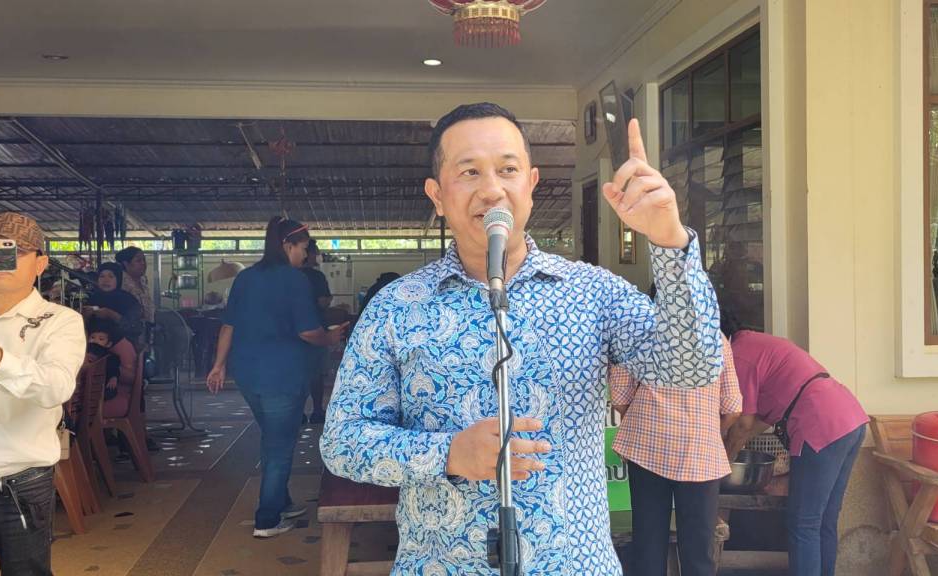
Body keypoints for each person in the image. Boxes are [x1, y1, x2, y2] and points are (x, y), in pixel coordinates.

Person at [320, 103, 723, 574]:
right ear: (437, 195)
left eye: (507, 169)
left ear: (531, 184)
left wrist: (671, 243)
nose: (492, 189)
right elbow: (342, 443)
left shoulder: (592, 291)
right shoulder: (397, 306)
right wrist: (447, 454)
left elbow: (692, 368)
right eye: (469, 171)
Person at [205, 217, 347, 538]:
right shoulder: (295, 280)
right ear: (287, 245)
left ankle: (282, 502)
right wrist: (331, 337)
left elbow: (229, 325)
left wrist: (218, 365)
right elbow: (308, 332)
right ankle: (267, 519)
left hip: (247, 374)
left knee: (272, 437)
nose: (305, 255)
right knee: (280, 445)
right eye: (303, 248)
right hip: (282, 374)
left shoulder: (245, 278)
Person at [0, 212, 86, 574]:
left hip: (19, 487)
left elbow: (57, 386)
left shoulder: (59, 321)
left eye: (14, 251)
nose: (0, 260)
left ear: (40, 263)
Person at [721, 310, 868, 576]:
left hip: (820, 423)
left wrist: (723, 461)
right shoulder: (757, 343)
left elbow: (743, 423)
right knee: (824, 520)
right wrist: (735, 444)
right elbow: (760, 421)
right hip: (850, 418)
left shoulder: (738, 356)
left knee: (804, 523)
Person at [609, 332, 741, 576]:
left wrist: (648, 425)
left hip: (647, 450)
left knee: (648, 544)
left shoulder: (638, 331)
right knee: (699, 552)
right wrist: (708, 432)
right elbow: (733, 407)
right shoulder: (715, 337)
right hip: (700, 454)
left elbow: (619, 397)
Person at [300, 240, 332, 424]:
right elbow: (322, 301)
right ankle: (317, 410)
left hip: (292, 332)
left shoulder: (289, 275)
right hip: (316, 328)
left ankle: (298, 412)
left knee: (297, 373)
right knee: (316, 373)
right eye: (316, 253)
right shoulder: (316, 276)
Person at [86, 262, 144, 348]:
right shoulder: (93, 298)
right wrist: (85, 316)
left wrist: (112, 315)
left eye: (111, 276)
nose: (106, 280)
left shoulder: (128, 300)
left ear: (118, 279)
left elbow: (136, 328)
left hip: (122, 347)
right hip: (94, 347)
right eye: (102, 276)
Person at [86, 316, 137, 403]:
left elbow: (114, 367)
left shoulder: (109, 356)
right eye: (92, 337)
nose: (95, 341)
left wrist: (114, 377)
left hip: (104, 384)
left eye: (101, 339)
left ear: (108, 344)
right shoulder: (84, 352)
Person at [115, 246, 155, 344]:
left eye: (144, 260)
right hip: (128, 335)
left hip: (146, 332)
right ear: (126, 264)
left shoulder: (143, 280)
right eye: (138, 260)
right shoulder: (120, 282)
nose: (143, 263)